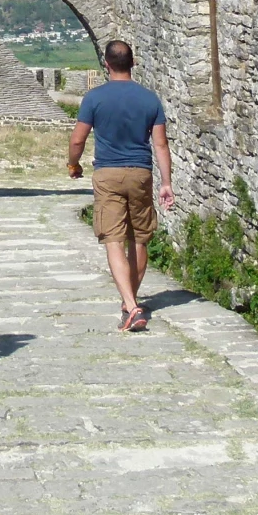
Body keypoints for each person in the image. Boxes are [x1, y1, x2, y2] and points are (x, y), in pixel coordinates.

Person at [67, 40, 173, 332]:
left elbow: (78, 139)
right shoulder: (150, 99)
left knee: (113, 238)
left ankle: (131, 306)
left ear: (107, 64)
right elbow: (161, 144)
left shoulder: (94, 98)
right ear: (133, 63)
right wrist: (167, 183)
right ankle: (131, 302)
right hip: (141, 172)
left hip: (108, 174)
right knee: (138, 238)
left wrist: (73, 165)